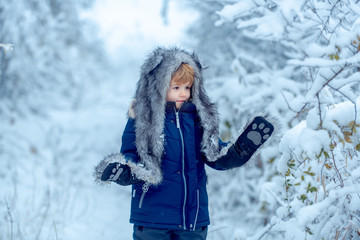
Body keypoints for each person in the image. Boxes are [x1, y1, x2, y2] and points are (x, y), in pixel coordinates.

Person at [94, 47, 274, 240]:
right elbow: (131, 155)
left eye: (187, 87)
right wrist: (124, 171)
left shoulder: (198, 119)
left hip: (193, 219)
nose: (183, 93)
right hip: (153, 219)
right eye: (176, 87)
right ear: (159, 88)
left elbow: (215, 156)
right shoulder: (142, 119)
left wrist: (241, 149)